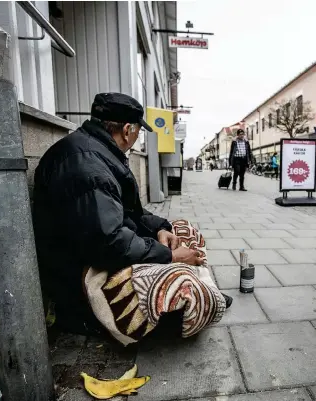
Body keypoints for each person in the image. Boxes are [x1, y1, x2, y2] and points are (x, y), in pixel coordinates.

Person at [33, 93, 230, 344]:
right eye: (138, 132)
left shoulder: (98, 152)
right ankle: (191, 303)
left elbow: (129, 214)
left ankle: (201, 292)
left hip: (98, 249)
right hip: (79, 277)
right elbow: (109, 243)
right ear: (128, 130)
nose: (138, 139)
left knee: (181, 230)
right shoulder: (88, 167)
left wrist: (160, 229)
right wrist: (169, 256)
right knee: (177, 277)